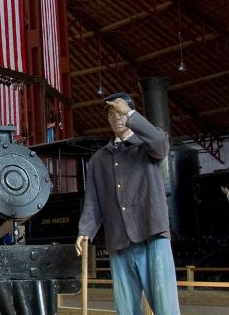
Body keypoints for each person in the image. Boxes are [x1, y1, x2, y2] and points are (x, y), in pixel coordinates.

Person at [75, 92, 180, 315]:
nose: (117, 117)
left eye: (121, 112)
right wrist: (85, 230)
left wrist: (131, 115)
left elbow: (162, 144)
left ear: (130, 113)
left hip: (152, 231)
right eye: (111, 114)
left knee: (165, 304)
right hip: (119, 238)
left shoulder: (147, 145)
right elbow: (93, 199)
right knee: (125, 307)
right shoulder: (99, 159)